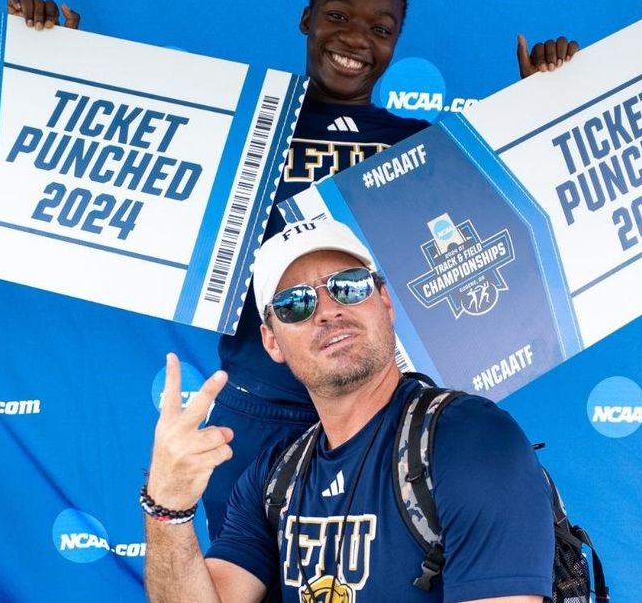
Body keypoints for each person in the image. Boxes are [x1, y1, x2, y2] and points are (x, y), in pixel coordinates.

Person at [9, 0, 577, 540]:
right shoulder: (235, 127)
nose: (356, 38)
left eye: (380, 28)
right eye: (338, 15)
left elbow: (514, 244)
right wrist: (55, 64)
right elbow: (109, 155)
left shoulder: (423, 147)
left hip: (373, 421)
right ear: (306, 18)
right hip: (256, 420)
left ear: (396, 41)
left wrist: (549, 107)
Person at [143, 219, 554, 602]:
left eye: (349, 286)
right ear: (271, 341)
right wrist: (168, 507)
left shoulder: (468, 441)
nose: (327, 310)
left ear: (385, 302)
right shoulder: (273, 479)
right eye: (295, 304)